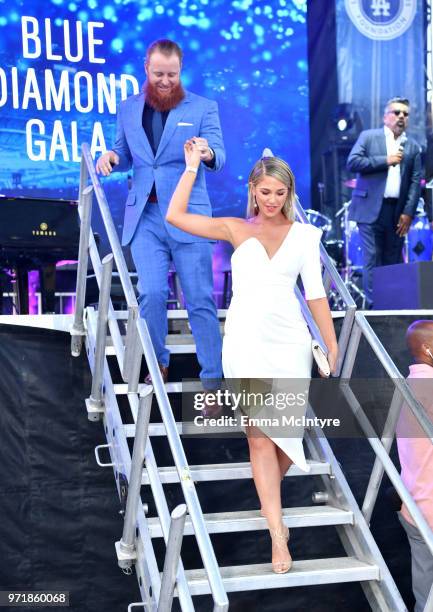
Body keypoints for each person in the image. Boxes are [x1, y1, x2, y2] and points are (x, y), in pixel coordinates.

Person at [166, 143, 338, 574]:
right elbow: (175, 216)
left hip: (289, 342)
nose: (273, 200)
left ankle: (269, 502)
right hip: (244, 341)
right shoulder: (234, 228)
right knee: (259, 438)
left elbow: (315, 296)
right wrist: (190, 168)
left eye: (280, 192)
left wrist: (332, 346)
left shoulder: (304, 236)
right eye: (265, 191)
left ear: (289, 193)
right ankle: (278, 535)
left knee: (284, 435)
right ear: (253, 190)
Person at [96, 39, 225, 386]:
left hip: (189, 217)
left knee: (199, 299)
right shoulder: (126, 108)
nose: (165, 80)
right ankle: (156, 366)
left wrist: (206, 151)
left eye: (172, 74)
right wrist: (110, 156)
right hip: (146, 218)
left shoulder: (202, 107)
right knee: (151, 294)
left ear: (181, 70)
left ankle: (213, 379)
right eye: (158, 74)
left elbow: (219, 154)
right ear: (146, 69)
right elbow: (123, 151)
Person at [347, 97, 421, 308]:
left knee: (393, 260)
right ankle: (373, 309)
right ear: (385, 116)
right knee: (371, 258)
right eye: (396, 112)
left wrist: (409, 212)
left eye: (405, 114)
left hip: (397, 212)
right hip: (369, 208)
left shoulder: (413, 147)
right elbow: (353, 162)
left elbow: (416, 183)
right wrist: (385, 160)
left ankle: (391, 307)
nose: (401, 117)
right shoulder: (369, 137)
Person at [396, 320, 433, 612]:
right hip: (429, 508)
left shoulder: (409, 384)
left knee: (425, 594)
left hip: (415, 505)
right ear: (427, 349)